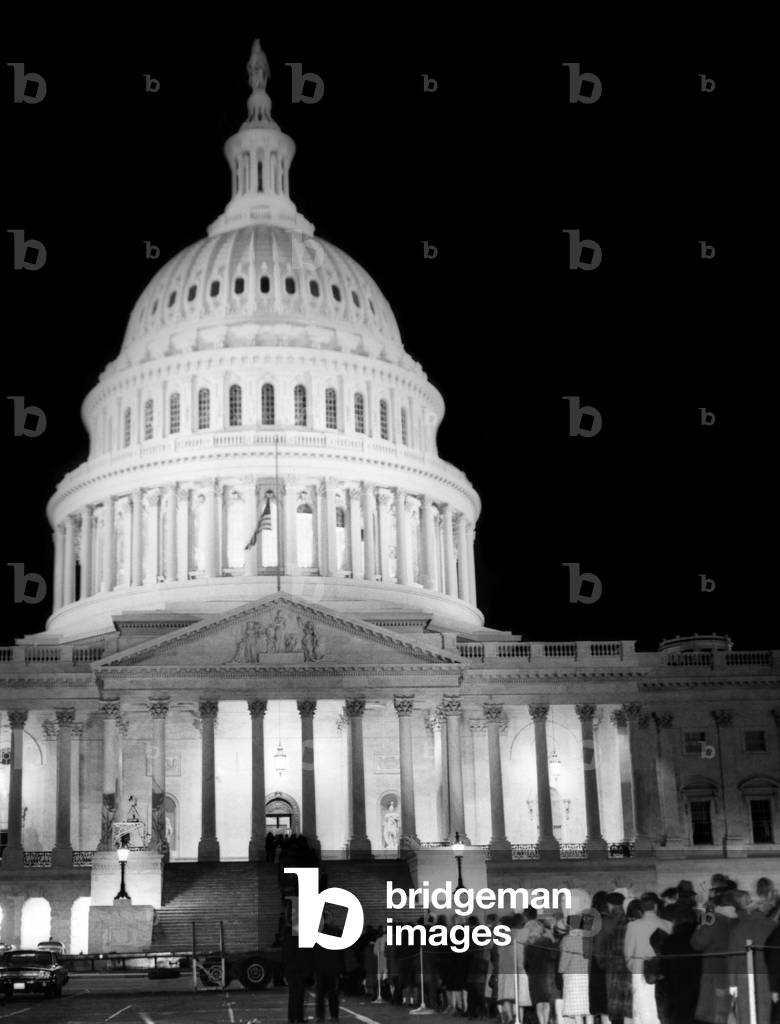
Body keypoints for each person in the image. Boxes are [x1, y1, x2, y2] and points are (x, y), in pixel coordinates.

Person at [727, 889, 776, 1024]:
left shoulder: (737, 929)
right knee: (764, 1012)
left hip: (743, 977)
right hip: (766, 977)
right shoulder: (771, 927)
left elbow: (733, 957)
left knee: (745, 1013)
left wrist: (732, 983)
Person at [691, 885, 738, 1024]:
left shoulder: (714, 920)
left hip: (714, 973)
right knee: (729, 1012)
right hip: (735, 973)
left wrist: (700, 927)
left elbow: (697, 943)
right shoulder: (740, 920)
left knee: (716, 1013)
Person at [624, 893, 671, 1024]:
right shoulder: (668, 925)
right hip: (663, 973)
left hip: (640, 971)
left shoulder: (633, 926)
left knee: (642, 1009)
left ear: (641, 909)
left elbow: (628, 953)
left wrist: (633, 967)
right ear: (656, 907)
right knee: (660, 1008)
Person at [596, 892, 632, 1024]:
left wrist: (602, 964)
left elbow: (599, 947)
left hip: (612, 965)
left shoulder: (605, 922)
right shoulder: (629, 921)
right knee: (627, 1002)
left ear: (609, 905)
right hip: (628, 966)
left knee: (614, 1002)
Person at [559, 913, 591, 1023]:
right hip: (588, 975)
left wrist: (561, 970)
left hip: (573, 976)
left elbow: (564, 960)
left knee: (577, 1010)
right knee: (589, 1009)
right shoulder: (588, 938)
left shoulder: (567, 939)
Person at [314, 912, 344, 1021]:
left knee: (320, 995)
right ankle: (334, 1015)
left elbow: (313, 952)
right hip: (332, 969)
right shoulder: (334, 933)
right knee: (333, 994)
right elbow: (339, 952)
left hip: (320, 968)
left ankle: (320, 1016)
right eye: (331, 917)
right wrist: (341, 968)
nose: (332, 919)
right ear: (326, 919)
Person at [282, 924, 314, 1023]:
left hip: (290, 970)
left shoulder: (288, 936)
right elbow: (307, 955)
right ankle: (299, 1018)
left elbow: (284, 955)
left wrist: (284, 971)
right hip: (300, 970)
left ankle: (291, 1017)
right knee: (299, 996)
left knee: (292, 995)